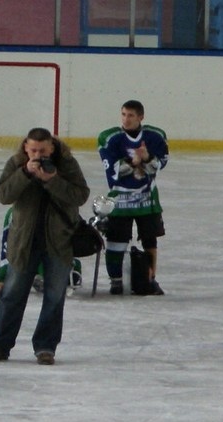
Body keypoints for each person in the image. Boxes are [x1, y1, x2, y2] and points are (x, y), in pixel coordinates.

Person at [0, 127, 89, 366]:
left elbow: (80, 196)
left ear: (52, 147)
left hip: (58, 241)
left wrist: (52, 180)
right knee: (12, 294)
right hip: (23, 241)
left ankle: (45, 348)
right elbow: (3, 194)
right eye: (33, 150)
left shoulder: (66, 164)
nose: (38, 155)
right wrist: (25, 173)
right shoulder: (17, 163)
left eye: (43, 150)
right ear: (25, 147)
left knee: (55, 297)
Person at [97, 99, 169, 295]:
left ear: (140, 117)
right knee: (116, 240)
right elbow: (114, 170)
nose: (126, 119)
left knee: (150, 239)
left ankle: (150, 277)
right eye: (123, 115)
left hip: (147, 197)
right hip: (120, 198)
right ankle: (116, 280)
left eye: (130, 115)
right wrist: (134, 160)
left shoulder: (156, 136)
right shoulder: (109, 138)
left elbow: (159, 164)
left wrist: (145, 158)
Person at [0, 206, 82, 298]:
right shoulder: (16, 213)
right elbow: (8, 246)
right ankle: (39, 272)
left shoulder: (63, 211)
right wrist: (3, 277)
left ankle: (47, 273)